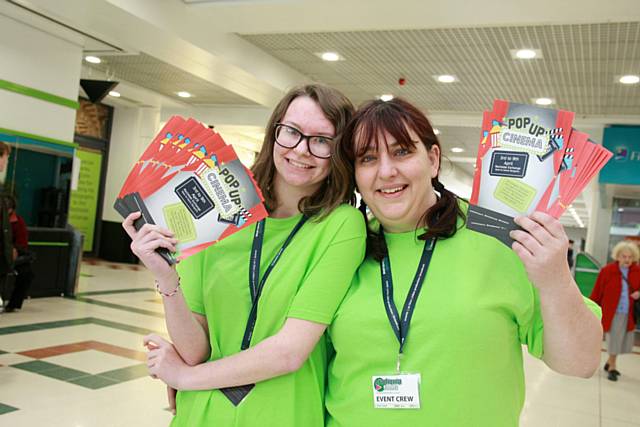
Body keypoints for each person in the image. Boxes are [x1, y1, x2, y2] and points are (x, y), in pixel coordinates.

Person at [325, 98, 602, 426]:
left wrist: (555, 279)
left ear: (433, 159)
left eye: (401, 151)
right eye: (368, 158)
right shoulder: (342, 247)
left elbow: (580, 362)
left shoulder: (499, 237)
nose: (386, 171)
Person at [123, 84, 366, 426]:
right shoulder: (220, 212)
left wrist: (183, 378)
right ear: (275, 132)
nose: (301, 149)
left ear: (339, 151)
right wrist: (166, 277)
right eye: (291, 132)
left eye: (321, 140)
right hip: (201, 413)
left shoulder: (341, 226)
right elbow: (195, 350)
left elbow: (289, 352)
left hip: (283, 412)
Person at [589, 240, 640, 381]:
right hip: (611, 312)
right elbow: (597, 291)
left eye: (630, 257)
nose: (627, 260)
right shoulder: (608, 271)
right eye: (624, 256)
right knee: (614, 339)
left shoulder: (637, 272)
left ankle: (609, 362)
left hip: (628, 313)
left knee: (620, 339)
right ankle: (612, 366)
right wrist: (590, 310)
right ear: (618, 256)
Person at [3, 194, 34, 312]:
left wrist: (15, 248)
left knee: (27, 274)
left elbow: (22, 243)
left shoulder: (18, 222)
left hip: (12, 256)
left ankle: (13, 304)